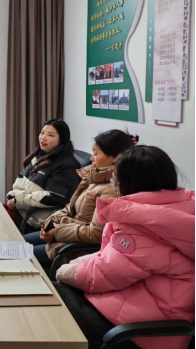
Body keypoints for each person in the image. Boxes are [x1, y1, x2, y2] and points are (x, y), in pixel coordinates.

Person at [55, 146, 195, 349]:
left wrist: (65, 271)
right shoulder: (174, 210)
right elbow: (113, 260)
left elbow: (100, 276)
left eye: (116, 178)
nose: (114, 183)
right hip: (140, 311)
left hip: (145, 333)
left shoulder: (144, 226)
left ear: (131, 182)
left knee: (53, 299)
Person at [23, 130, 135, 273]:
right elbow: (70, 207)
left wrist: (57, 231)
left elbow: (96, 233)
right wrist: (50, 222)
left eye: (95, 153)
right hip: (65, 233)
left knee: (21, 255)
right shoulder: (94, 177)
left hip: (73, 247)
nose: (91, 158)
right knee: (19, 243)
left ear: (113, 158)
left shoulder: (111, 190)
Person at [6, 119, 81, 232]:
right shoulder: (41, 156)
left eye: (50, 135)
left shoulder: (67, 165)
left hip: (36, 220)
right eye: (42, 133)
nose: (43, 138)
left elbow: (53, 197)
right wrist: (13, 197)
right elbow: (21, 178)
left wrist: (18, 200)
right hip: (23, 209)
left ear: (62, 139)